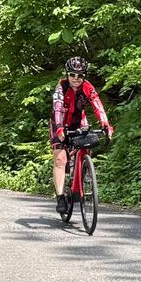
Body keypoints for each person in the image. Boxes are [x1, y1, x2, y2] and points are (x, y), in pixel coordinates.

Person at [51, 56, 113, 217]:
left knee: (87, 146)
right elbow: (57, 109)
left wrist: (105, 124)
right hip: (59, 122)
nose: (76, 78)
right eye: (72, 75)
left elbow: (97, 105)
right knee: (60, 159)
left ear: (84, 76)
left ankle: (81, 182)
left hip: (79, 121)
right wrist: (59, 128)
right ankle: (60, 197)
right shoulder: (61, 87)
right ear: (67, 74)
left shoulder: (87, 87)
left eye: (80, 75)